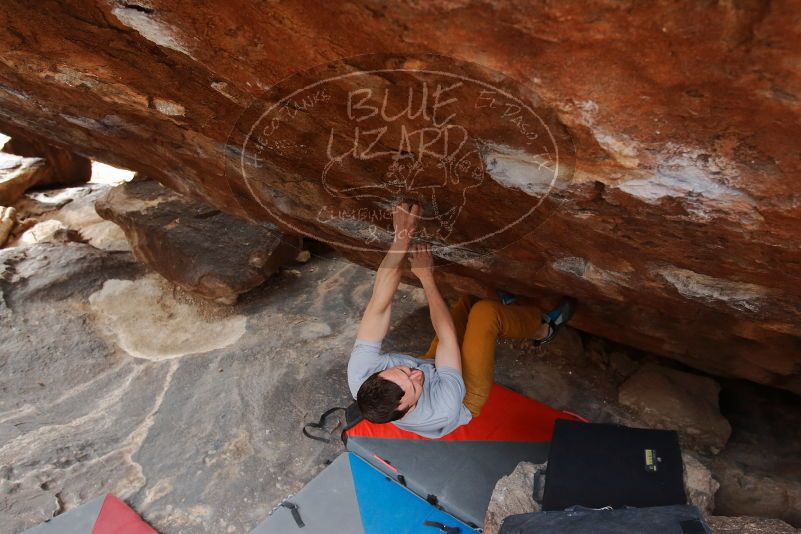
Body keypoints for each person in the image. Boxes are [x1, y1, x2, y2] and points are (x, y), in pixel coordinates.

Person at [347, 201, 575, 438]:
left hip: (434, 367)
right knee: (486, 314)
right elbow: (446, 339)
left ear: (375, 375)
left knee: (470, 301)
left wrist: (401, 239)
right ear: (408, 409)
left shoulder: (360, 374)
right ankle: (543, 330)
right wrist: (426, 278)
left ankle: (514, 314)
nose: (415, 372)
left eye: (403, 371)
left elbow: (379, 304)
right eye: (414, 385)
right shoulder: (440, 408)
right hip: (466, 395)